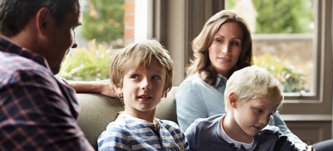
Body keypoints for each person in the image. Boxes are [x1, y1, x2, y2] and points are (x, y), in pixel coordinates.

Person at [175, 10, 333, 151]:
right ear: (207, 43)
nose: (226, 50)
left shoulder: (256, 85)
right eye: (219, 40)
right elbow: (194, 144)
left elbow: (280, 128)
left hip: (280, 147)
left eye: (235, 43)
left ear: (242, 48)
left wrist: (301, 147)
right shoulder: (192, 89)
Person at [0, 0, 94, 150]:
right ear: (44, 22)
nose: (74, 43)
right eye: (72, 28)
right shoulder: (25, 79)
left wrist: (97, 86)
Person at [97, 40, 190, 151]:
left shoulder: (174, 131)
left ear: (165, 88)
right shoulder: (117, 135)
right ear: (119, 86)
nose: (146, 85)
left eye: (155, 77)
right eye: (135, 76)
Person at [186, 65, 304, 151]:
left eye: (270, 114)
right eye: (259, 110)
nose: (264, 121)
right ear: (234, 100)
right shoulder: (199, 133)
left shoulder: (274, 139)